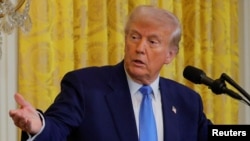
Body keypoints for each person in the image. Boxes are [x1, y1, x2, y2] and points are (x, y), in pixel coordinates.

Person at [9, 5, 212, 141]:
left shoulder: (187, 101)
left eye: (152, 42)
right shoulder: (85, 87)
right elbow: (58, 129)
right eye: (134, 37)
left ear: (170, 55)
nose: (140, 47)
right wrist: (38, 126)